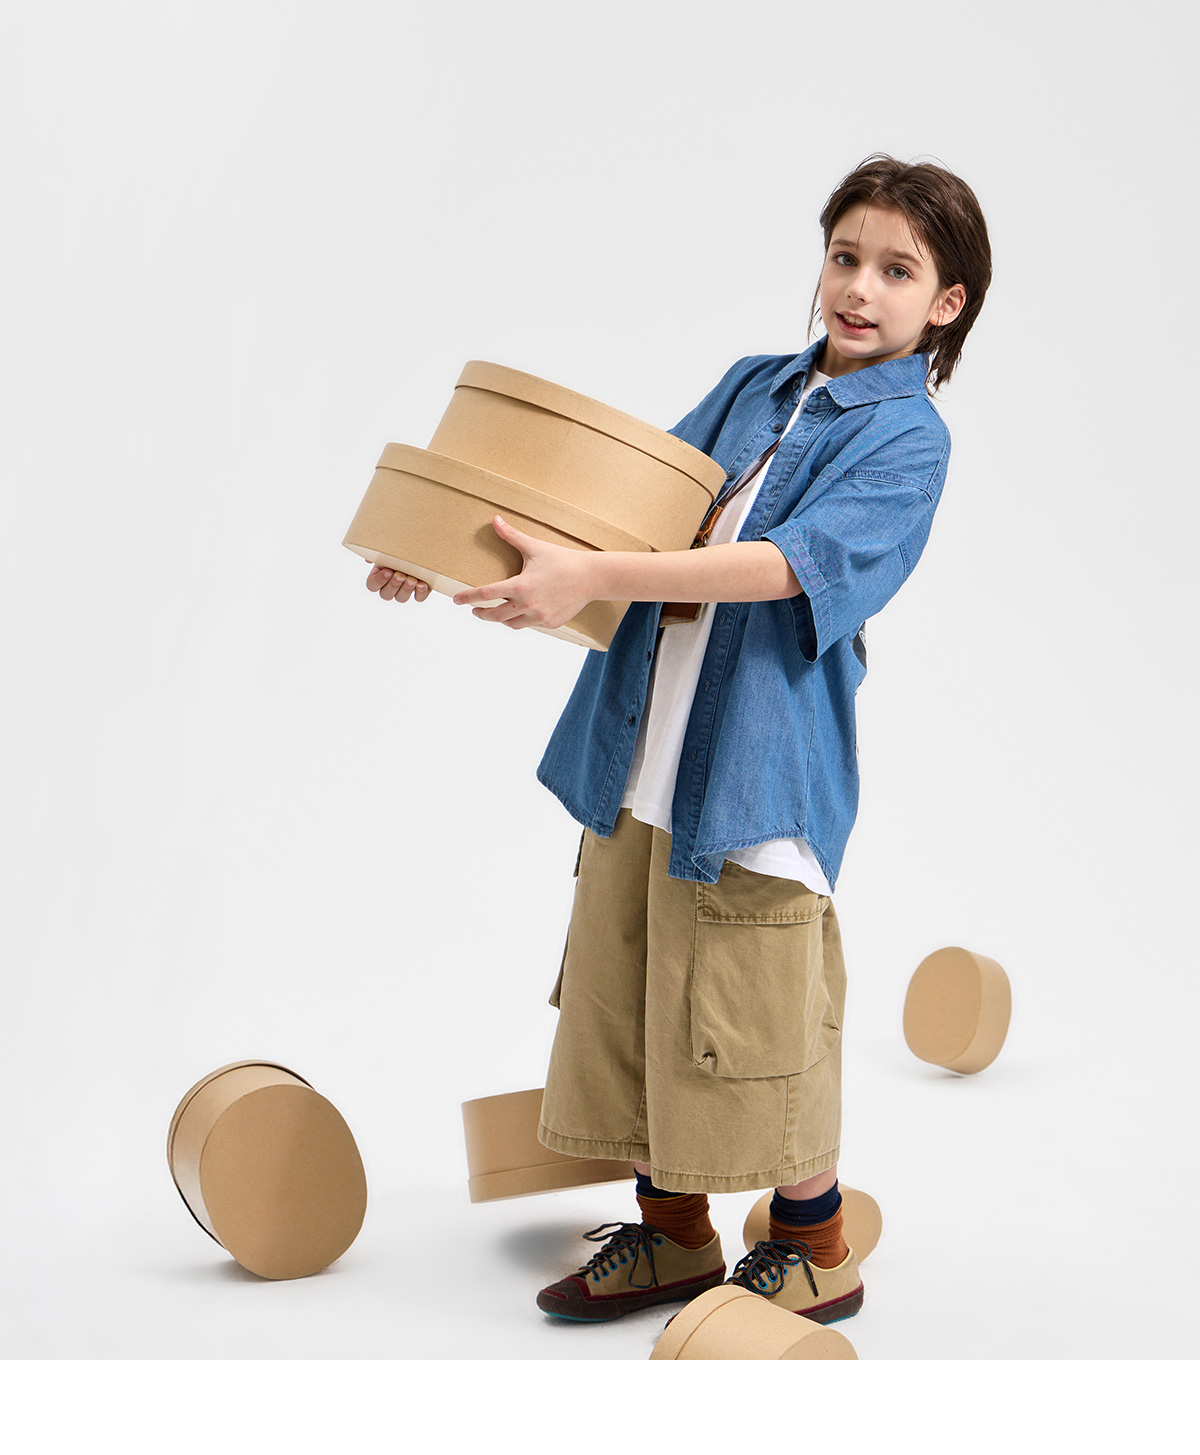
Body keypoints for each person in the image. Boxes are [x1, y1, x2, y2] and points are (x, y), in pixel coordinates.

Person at [367, 154, 992, 1328]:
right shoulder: (758, 385)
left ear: (945, 303)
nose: (859, 287)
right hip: (644, 745)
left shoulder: (910, 440)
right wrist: (442, 544)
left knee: (757, 1011)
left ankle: (814, 1244)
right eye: (845, 256)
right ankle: (674, 1234)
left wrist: (597, 575)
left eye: (897, 270)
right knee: (637, 988)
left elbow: (786, 567)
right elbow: (619, 501)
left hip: (759, 771)